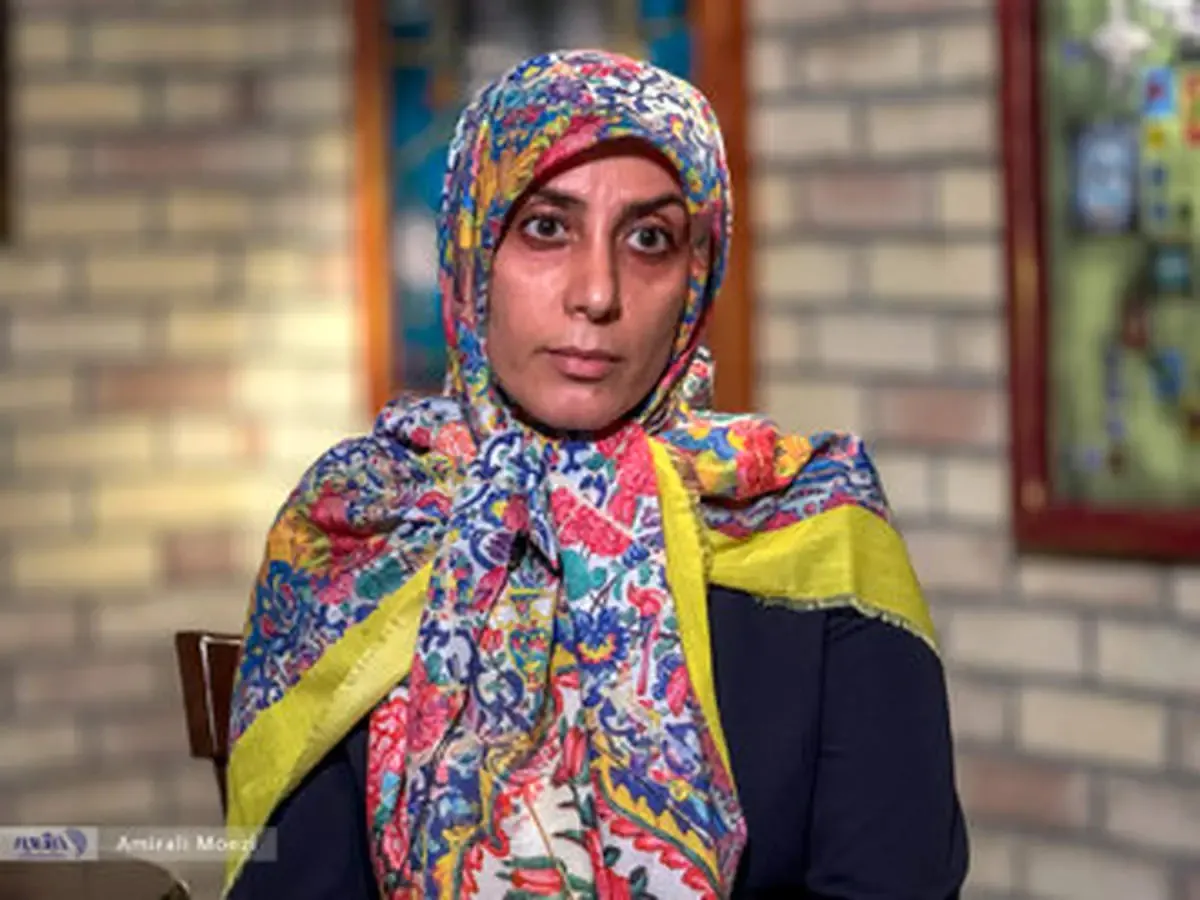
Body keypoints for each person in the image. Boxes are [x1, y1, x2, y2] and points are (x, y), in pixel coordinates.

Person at [222, 49, 969, 899]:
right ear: (472, 251)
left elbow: (891, 878)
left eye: (649, 240)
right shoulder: (362, 526)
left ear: (697, 276)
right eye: (547, 227)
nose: (598, 293)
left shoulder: (814, 519)